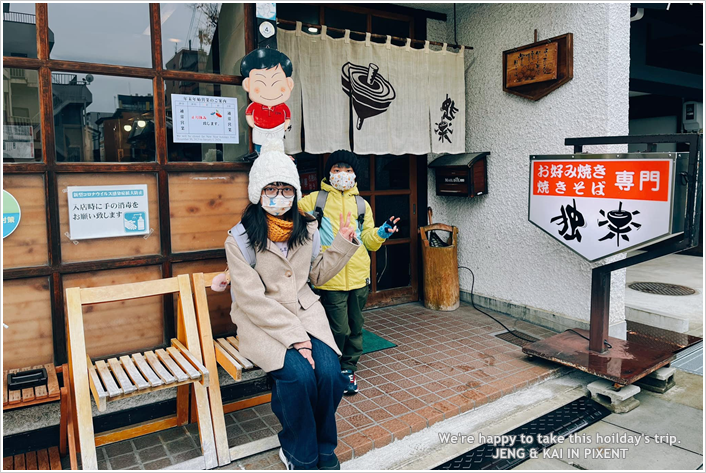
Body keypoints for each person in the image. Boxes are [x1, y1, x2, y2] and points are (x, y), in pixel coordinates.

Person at [225, 140, 361, 470]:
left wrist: (343, 243)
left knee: (330, 373)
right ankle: (298, 451)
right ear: (257, 192)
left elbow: (315, 273)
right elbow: (250, 299)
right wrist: (297, 341)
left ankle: (324, 449)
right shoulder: (240, 238)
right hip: (263, 322)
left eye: (286, 189)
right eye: (272, 188)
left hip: (305, 313)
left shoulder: (307, 227)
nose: (279, 197)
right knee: (299, 376)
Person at [299, 150, 399, 395]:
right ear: (329, 174)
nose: (342, 174)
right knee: (337, 328)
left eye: (348, 170)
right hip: (329, 277)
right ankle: (329, 368)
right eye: (336, 170)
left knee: (355, 327)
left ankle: (347, 369)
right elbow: (289, 214)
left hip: (358, 276)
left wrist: (382, 233)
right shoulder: (314, 200)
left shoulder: (361, 204)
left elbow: (369, 241)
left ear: (355, 175)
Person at [240, 48, 294, 153]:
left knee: (278, 147)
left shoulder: (282, 106)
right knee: (260, 149)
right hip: (260, 130)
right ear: (248, 84)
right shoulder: (254, 106)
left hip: (277, 129)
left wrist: (285, 126)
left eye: (278, 85)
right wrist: (253, 125)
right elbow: (249, 114)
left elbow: (287, 116)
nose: (269, 91)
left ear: (289, 84)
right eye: (259, 86)